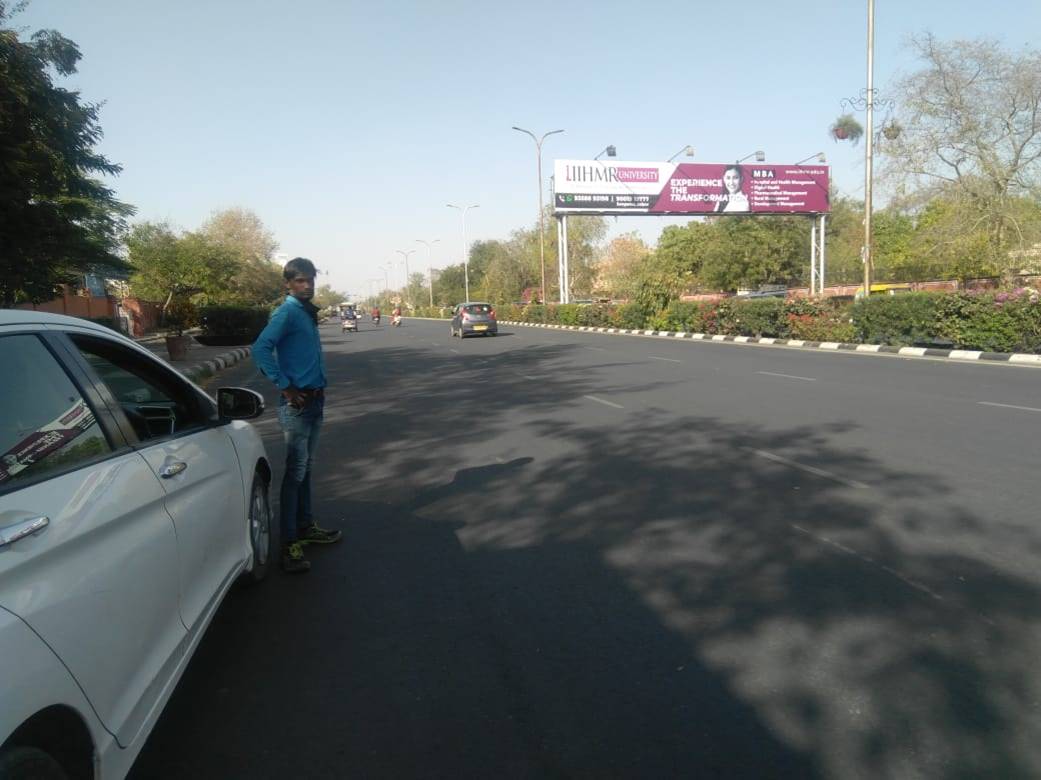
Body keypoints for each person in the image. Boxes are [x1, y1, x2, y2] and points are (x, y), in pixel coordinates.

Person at [253, 257, 342, 573]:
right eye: (301, 280)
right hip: (298, 404)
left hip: (315, 401)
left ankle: (306, 527)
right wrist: (286, 387)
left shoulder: (305, 313)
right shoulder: (287, 312)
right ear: (288, 283)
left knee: (305, 469)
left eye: (311, 279)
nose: (308, 285)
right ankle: (289, 544)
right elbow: (260, 349)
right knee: (295, 473)